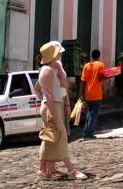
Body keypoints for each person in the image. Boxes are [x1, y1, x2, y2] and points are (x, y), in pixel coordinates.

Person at [34, 41, 86, 181]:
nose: (60, 56)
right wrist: (49, 110)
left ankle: (44, 170)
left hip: (57, 105)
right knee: (61, 135)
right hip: (51, 107)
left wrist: (66, 103)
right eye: (58, 53)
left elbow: (63, 87)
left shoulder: (55, 69)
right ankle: (71, 169)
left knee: (50, 139)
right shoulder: (46, 70)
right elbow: (45, 92)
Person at [80, 49, 106, 140]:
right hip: (97, 93)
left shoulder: (86, 66)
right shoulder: (100, 65)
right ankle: (89, 133)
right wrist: (106, 76)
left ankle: (86, 132)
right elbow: (100, 77)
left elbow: (83, 82)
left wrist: (81, 94)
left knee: (89, 113)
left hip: (88, 93)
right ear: (99, 56)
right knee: (93, 115)